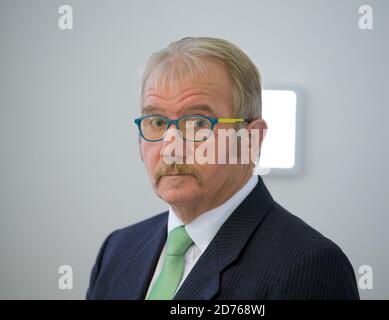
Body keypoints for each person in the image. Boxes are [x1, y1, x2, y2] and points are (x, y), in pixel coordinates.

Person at [86, 37, 359, 300]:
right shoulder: (117, 249)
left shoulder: (308, 266)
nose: (170, 148)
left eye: (199, 123)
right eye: (156, 122)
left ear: (252, 139)